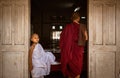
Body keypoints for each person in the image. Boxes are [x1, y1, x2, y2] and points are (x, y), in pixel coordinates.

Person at [59, 12, 88, 78]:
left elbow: (62, 37)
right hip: (78, 49)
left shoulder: (67, 27)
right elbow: (86, 38)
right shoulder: (83, 26)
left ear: (72, 19)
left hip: (69, 49)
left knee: (70, 65)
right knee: (77, 65)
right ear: (79, 18)